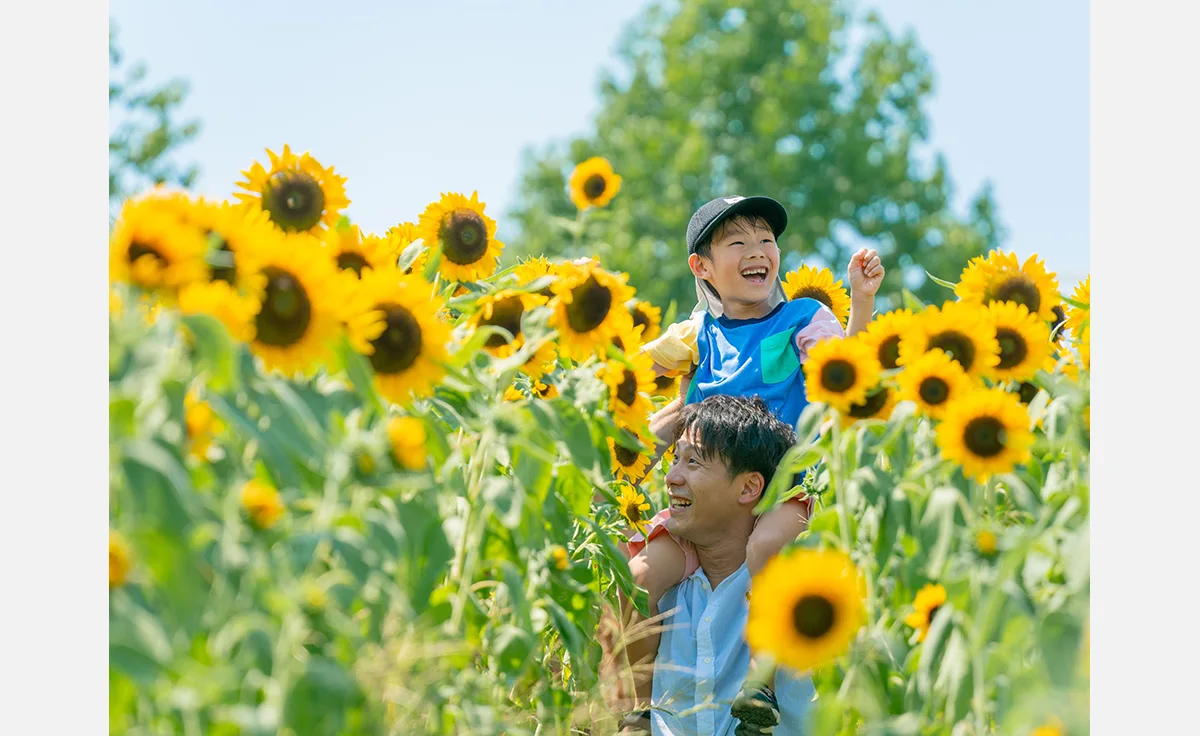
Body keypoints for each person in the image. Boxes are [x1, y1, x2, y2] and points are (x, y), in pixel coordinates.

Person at [624, 195, 884, 721]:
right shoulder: (697, 334)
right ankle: (634, 710)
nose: (757, 250)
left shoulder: (802, 318)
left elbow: (847, 373)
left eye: (766, 240)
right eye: (737, 242)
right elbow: (628, 375)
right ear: (702, 267)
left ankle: (760, 682)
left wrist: (860, 303)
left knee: (766, 544)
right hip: (705, 498)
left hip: (786, 483)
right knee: (641, 578)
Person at [619, 394, 815, 735]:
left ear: (750, 487)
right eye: (674, 460)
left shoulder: (801, 595)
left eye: (693, 463)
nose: (672, 477)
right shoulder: (660, 590)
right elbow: (594, 501)